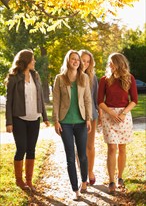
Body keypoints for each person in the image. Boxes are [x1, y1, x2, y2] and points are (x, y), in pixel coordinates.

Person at [5, 49, 50, 191]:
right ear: (26, 61)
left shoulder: (35, 75)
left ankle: (29, 181)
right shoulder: (13, 78)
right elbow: (9, 101)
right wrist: (9, 122)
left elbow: (41, 97)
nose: (34, 61)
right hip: (19, 118)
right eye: (33, 59)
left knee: (31, 149)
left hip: (34, 118)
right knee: (21, 149)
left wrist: (45, 117)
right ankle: (19, 180)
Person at [52, 50, 92, 200]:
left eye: (77, 59)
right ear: (68, 61)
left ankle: (83, 182)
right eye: (73, 59)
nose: (76, 61)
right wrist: (56, 121)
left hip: (81, 122)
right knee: (70, 157)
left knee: (82, 155)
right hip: (65, 123)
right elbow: (56, 101)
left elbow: (87, 99)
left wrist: (88, 118)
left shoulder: (84, 77)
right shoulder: (60, 78)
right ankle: (75, 190)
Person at [98, 52, 138, 193]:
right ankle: (111, 181)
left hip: (124, 116)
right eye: (109, 62)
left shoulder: (129, 78)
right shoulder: (104, 79)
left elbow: (134, 100)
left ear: (119, 63)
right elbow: (100, 101)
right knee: (112, 148)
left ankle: (120, 177)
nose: (110, 64)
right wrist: (112, 113)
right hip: (109, 116)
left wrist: (123, 113)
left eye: (112, 62)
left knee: (122, 148)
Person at [78, 49, 99, 185]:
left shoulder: (93, 77)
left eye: (88, 61)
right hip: (77, 116)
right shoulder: (72, 75)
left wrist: (99, 115)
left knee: (90, 146)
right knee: (79, 148)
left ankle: (90, 171)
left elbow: (96, 98)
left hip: (91, 115)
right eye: (83, 60)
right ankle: (83, 176)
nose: (85, 64)